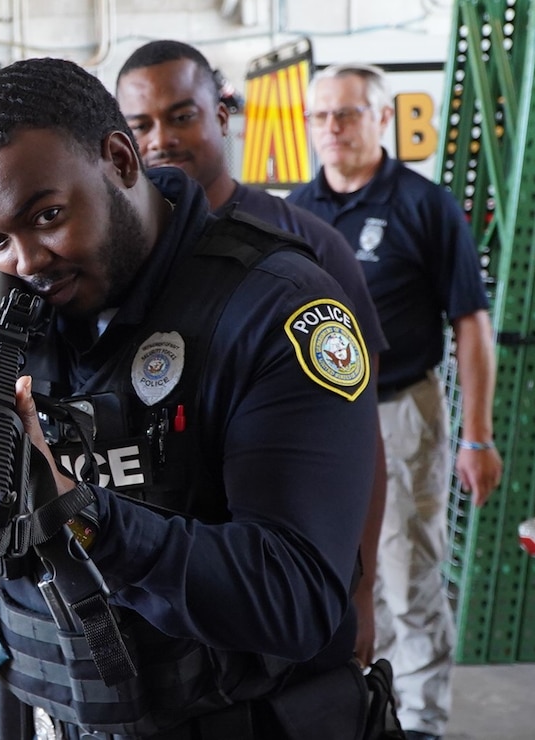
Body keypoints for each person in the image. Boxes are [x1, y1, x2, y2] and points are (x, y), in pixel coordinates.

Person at [0, 57, 381, 739]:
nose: (26, 261)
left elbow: (295, 603)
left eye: (49, 216)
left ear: (120, 160)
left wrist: (81, 514)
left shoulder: (273, 308)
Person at [114, 39, 390, 666]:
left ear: (222, 114)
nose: (160, 139)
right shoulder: (114, 261)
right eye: (140, 125)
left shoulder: (307, 253)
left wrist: (361, 590)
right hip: (162, 624)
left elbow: (361, 436)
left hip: (278, 606)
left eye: (182, 115)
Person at [287, 63, 503, 740]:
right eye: (318, 116)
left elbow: (470, 322)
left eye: (346, 114)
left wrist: (476, 436)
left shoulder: (423, 204)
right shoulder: (296, 209)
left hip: (403, 411)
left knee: (408, 577)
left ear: (382, 118)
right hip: (322, 423)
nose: (330, 129)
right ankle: (367, 715)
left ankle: (423, 723)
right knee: (346, 577)